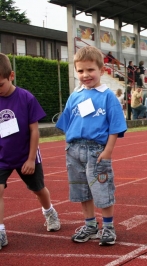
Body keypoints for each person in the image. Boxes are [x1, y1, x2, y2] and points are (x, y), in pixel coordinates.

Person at [56, 46, 127, 246]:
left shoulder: (107, 96)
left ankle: (108, 227)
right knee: (81, 191)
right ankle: (90, 225)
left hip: (97, 151)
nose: (85, 75)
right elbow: (67, 122)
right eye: (80, 71)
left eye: (90, 70)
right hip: (74, 150)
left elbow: (115, 127)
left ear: (102, 70)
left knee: (102, 189)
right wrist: (69, 145)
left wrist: (108, 150)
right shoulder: (75, 96)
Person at [0, 53, 61, 250]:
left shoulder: (26, 98)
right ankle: (0, 232)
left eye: (0, 84)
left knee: (38, 189)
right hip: (2, 156)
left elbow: (34, 130)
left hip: (26, 154)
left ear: (11, 76)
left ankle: (49, 211)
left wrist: (31, 159)